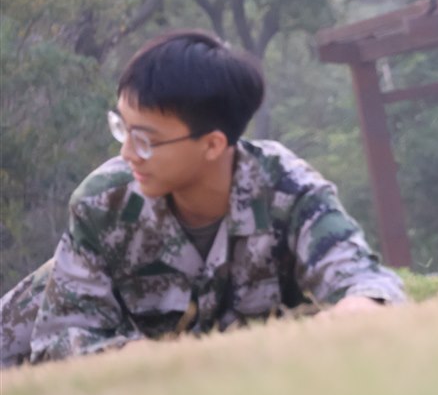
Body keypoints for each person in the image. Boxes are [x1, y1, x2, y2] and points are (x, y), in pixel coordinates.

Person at [1, 30, 405, 368]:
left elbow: (364, 281)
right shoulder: (103, 204)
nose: (127, 153)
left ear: (212, 144)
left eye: (145, 140)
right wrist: (143, 358)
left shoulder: (288, 191)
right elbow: (59, 340)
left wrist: (359, 308)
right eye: (122, 128)